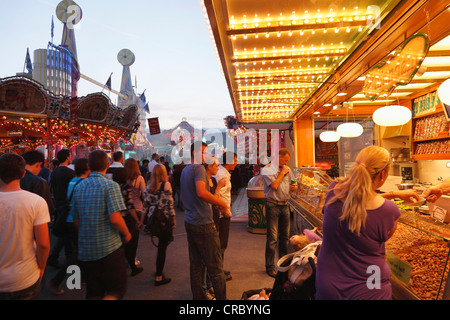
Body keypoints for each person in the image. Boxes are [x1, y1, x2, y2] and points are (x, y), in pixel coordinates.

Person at [316, 146, 401, 300]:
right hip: (371, 286)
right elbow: (385, 233)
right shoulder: (389, 210)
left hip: (329, 284)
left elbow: (357, 198)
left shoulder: (334, 189)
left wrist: (392, 194)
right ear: (383, 174)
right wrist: (393, 195)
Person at [71, 150, 131, 300]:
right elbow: (115, 219)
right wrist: (126, 233)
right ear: (107, 165)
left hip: (86, 251)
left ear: (88, 165)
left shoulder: (78, 187)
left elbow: (76, 220)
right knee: (116, 290)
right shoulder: (110, 186)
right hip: (108, 249)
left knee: (94, 292)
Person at [180, 141, 230, 300]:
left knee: (196, 265)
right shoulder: (199, 168)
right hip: (203, 223)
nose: (207, 156)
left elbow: (182, 197)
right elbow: (201, 192)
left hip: (190, 221)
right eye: (204, 152)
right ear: (195, 153)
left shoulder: (185, 169)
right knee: (215, 268)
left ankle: (199, 297)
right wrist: (221, 202)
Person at [0, 153, 51, 300]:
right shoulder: (36, 202)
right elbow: (43, 244)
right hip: (24, 278)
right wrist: (41, 267)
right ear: (23, 174)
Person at [47, 158, 90, 295]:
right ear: (87, 168)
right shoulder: (84, 183)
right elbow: (83, 205)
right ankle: (56, 281)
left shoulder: (73, 181)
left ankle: (81, 278)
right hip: (76, 220)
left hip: (68, 219)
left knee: (75, 250)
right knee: (77, 253)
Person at [261, 148, 298, 278]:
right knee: (272, 238)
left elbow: (293, 184)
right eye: (285, 160)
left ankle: (283, 264)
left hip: (285, 205)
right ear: (277, 157)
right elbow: (274, 186)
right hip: (273, 205)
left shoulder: (287, 168)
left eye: (287, 160)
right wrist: (282, 172)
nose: (286, 162)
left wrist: (294, 187)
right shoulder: (267, 169)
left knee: (285, 237)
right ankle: (270, 266)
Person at [143, 164, 177, 286]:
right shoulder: (166, 185)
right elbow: (170, 204)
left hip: (153, 219)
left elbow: (145, 206)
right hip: (164, 218)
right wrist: (173, 219)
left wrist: (142, 221)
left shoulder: (148, 186)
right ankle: (158, 275)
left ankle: (158, 272)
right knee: (162, 248)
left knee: (161, 247)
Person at [113, 168, 144, 277]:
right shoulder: (126, 187)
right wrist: (137, 220)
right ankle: (132, 267)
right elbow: (130, 206)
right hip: (127, 218)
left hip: (116, 217)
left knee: (120, 244)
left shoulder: (113, 186)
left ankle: (126, 266)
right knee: (131, 243)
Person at [48, 149, 75, 268]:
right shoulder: (69, 173)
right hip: (67, 205)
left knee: (65, 232)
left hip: (58, 203)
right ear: (67, 157)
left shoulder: (54, 172)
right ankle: (57, 257)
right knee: (67, 233)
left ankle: (63, 257)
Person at [213, 152, 237, 281]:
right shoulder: (222, 174)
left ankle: (219, 269)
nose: (236, 162)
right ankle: (218, 272)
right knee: (221, 244)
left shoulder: (223, 173)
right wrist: (225, 211)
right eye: (235, 160)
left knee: (221, 244)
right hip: (222, 215)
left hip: (222, 214)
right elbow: (219, 196)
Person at [20, 150, 55, 218]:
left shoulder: (11, 178)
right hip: (33, 222)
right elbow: (47, 208)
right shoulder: (39, 182)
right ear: (38, 164)